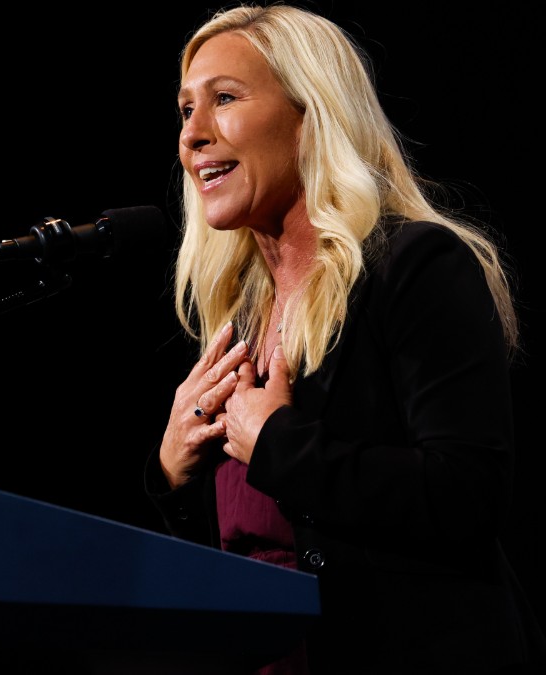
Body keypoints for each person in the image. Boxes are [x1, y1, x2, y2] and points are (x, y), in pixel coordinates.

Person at [142, 4, 544, 674]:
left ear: (311, 114)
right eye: (186, 110)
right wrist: (171, 471)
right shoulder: (240, 322)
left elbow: (466, 496)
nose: (194, 135)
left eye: (225, 99)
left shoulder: (414, 266)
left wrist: (278, 442)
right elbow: (248, 541)